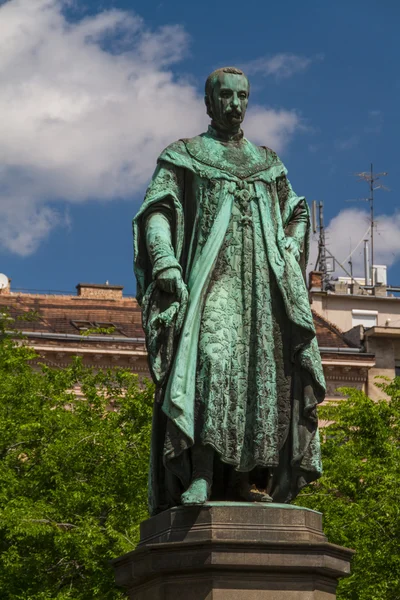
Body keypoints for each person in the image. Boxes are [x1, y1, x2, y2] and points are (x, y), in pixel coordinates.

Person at [133, 67, 325, 516]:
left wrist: (293, 241)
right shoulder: (185, 155)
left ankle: (248, 478)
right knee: (212, 363)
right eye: (226, 96)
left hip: (264, 284)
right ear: (209, 102)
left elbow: (295, 209)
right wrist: (164, 259)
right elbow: (158, 210)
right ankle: (201, 472)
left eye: (242, 96)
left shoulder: (268, 162)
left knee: (264, 374)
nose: (235, 104)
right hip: (213, 279)